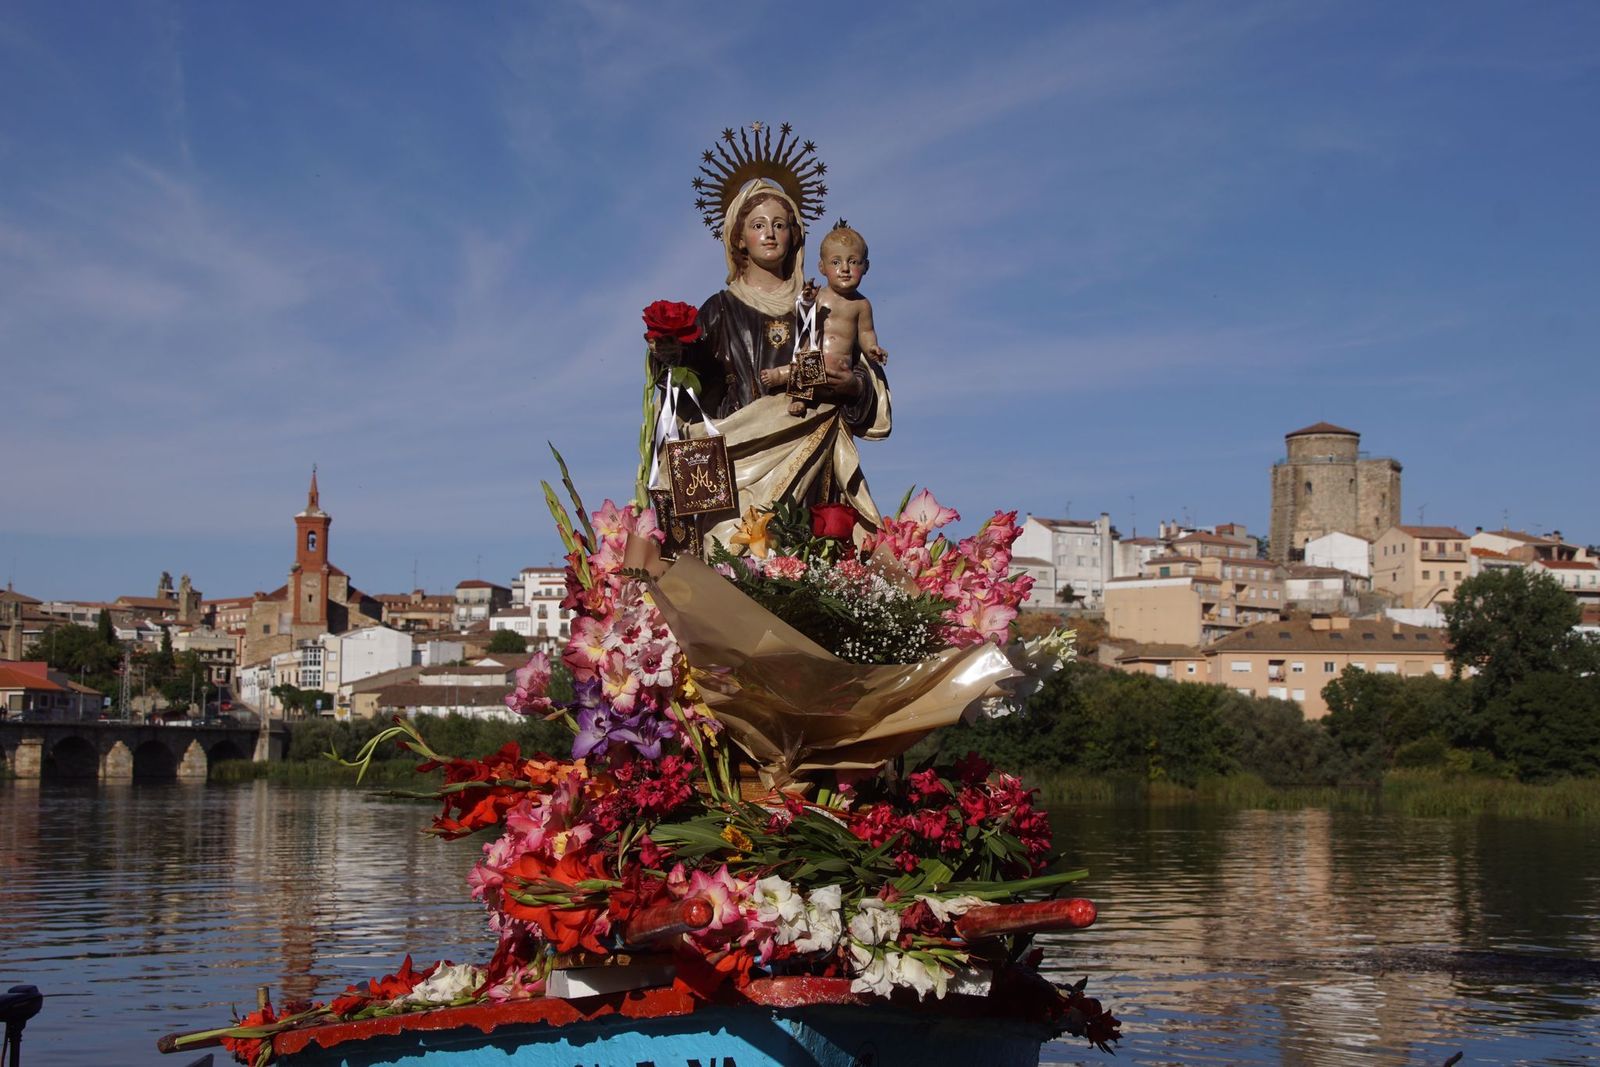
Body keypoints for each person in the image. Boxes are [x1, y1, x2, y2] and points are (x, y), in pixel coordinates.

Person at [648, 179, 891, 550]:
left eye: (780, 224)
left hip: (811, 450)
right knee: (733, 560)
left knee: (805, 558)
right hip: (739, 452)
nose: (770, 234)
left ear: (795, 235)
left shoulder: (823, 304)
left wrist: (853, 386)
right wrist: (670, 355)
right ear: (739, 238)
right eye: (758, 225)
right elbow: (686, 386)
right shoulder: (719, 310)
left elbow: (859, 370)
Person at [760, 223, 886, 417]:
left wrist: (872, 349)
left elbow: (866, 332)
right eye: (836, 262)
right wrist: (807, 300)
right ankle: (789, 386)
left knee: (829, 371)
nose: (845, 269)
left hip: (840, 366)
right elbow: (800, 318)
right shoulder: (820, 296)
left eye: (853, 262)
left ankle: (800, 388)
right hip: (814, 355)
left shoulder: (861, 305)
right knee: (804, 365)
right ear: (822, 267)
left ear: (865, 266)